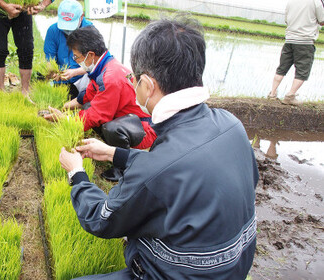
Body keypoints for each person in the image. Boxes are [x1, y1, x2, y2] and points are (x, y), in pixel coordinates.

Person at [59, 19, 258, 279]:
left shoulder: (157, 167)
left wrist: (77, 174)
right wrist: (114, 153)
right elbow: (179, 168)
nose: (133, 85)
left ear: (148, 86)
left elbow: (101, 219)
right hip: (234, 268)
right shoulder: (232, 125)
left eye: (136, 80)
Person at [44, 25, 157, 181]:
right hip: (127, 117)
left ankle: (122, 169)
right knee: (89, 106)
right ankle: (112, 145)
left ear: (90, 55)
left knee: (111, 127)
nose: (76, 61)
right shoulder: (104, 66)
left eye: (76, 57)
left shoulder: (111, 76)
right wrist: (63, 108)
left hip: (143, 129)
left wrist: (65, 120)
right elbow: (87, 95)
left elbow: (97, 115)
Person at [0, 0, 53, 96]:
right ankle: (0, 91)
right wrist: (5, 5)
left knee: (26, 48)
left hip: (23, 6)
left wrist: (42, 4)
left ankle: (25, 92)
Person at [268, 0, 324, 105]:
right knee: (302, 71)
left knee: (282, 68)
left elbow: (286, 20)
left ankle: (272, 93)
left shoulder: (291, 1)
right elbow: (322, 20)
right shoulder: (316, 2)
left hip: (289, 40)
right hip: (305, 41)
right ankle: (290, 96)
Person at [44, 0, 92, 99]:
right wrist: (53, 72)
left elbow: (95, 63)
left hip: (83, 77)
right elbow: (49, 59)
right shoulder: (53, 31)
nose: (68, 31)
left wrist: (75, 72)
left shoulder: (90, 31)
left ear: (81, 17)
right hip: (61, 78)